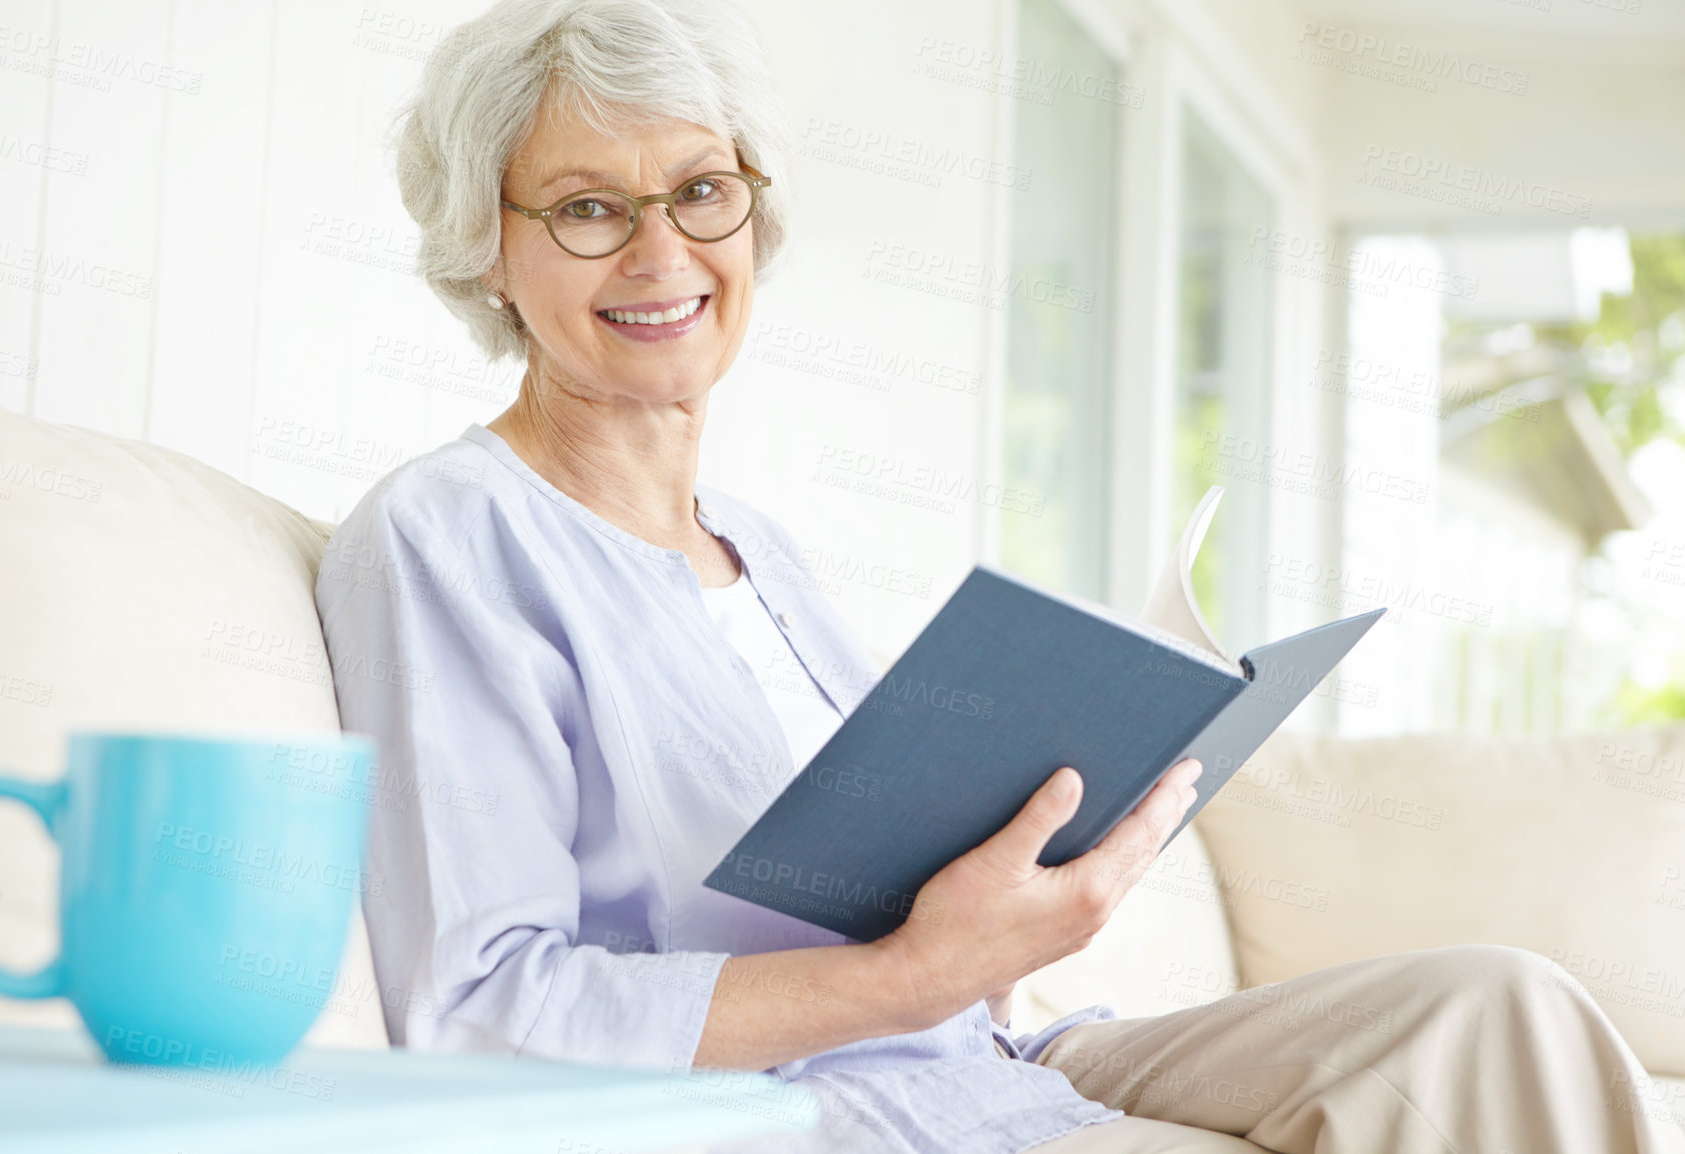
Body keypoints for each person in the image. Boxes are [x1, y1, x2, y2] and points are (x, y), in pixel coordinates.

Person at [312, 2, 1684, 1151]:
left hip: (1001, 1052)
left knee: (1500, 1006)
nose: (663, 251)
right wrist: (908, 974)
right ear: (488, 249)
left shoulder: (759, 549)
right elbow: (483, 1007)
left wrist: (1035, 864)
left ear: (752, 217)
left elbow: (897, 902)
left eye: (702, 191)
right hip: (808, 1105)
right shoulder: (445, 534)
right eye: (589, 208)